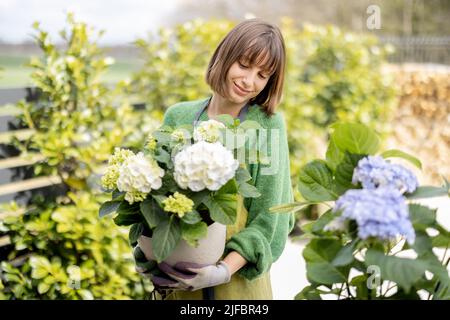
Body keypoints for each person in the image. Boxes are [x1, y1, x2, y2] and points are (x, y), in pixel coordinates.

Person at [134, 18, 295, 300]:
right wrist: (145, 253)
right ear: (225, 56)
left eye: (262, 74)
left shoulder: (268, 126)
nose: (249, 81)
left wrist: (222, 270)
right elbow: (145, 198)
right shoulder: (178, 116)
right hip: (175, 281)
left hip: (237, 287)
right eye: (244, 65)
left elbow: (273, 217)